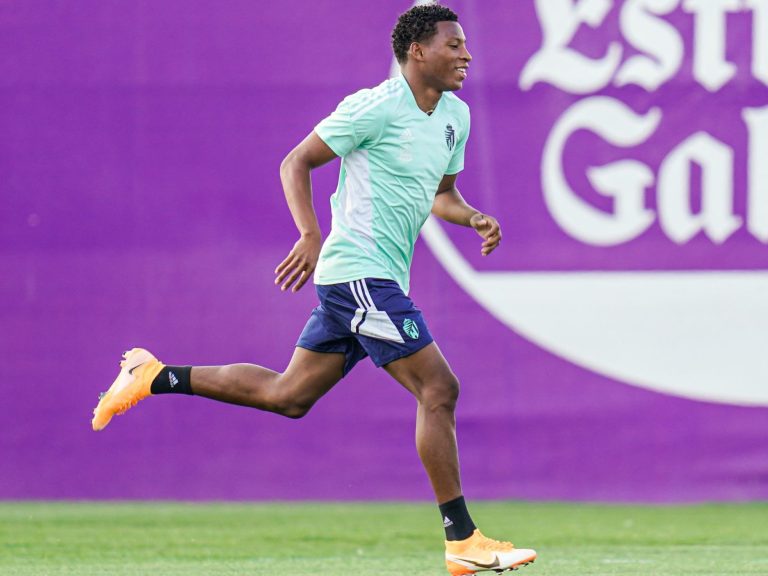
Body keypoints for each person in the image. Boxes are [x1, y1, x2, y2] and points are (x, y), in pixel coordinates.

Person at [91, 4, 536, 574]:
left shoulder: (456, 117)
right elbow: (296, 161)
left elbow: (439, 194)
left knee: (288, 396)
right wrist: (309, 233)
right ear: (417, 51)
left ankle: (153, 376)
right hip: (357, 274)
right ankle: (463, 541)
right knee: (438, 388)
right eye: (454, 45)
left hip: (371, 280)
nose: (466, 55)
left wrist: (471, 216)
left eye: (466, 45)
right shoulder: (374, 106)